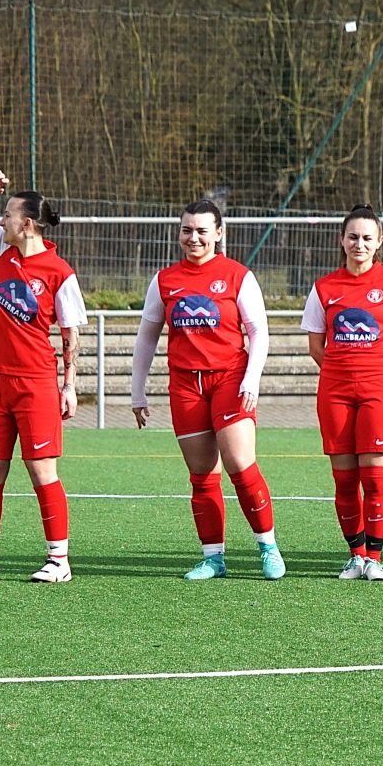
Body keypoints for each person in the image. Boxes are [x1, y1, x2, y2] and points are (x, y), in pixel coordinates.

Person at [131, 199, 283, 580]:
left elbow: (258, 331)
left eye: (202, 230)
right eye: (187, 230)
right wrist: (137, 390)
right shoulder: (164, 280)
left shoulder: (238, 276)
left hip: (230, 378)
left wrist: (251, 378)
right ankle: (213, 558)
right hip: (185, 385)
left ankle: (268, 548)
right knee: (201, 475)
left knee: (239, 464)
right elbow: (147, 336)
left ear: (219, 233)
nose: (193, 238)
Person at [0, 167, 87, 582]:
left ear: (27, 224)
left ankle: (59, 561)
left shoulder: (60, 273)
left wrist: (69, 385)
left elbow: (70, 335)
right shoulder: (2, 248)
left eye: (9, 214)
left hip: (35, 384)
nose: (2, 219)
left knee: (41, 472)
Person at [302, 204, 383, 580]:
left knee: (375, 478)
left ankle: (375, 559)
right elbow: (316, 345)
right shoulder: (324, 287)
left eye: (367, 238)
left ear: (379, 241)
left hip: (381, 391)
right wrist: (342, 372)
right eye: (353, 237)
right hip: (335, 392)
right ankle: (356, 556)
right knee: (345, 480)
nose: (359, 244)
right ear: (342, 240)